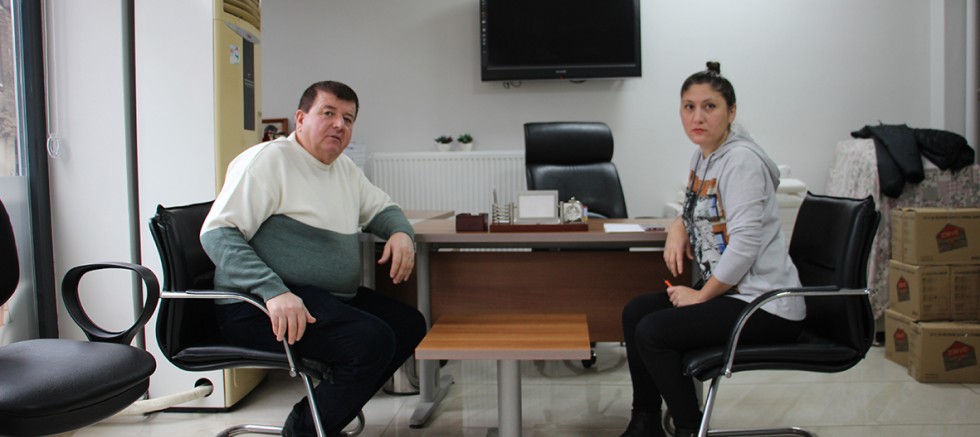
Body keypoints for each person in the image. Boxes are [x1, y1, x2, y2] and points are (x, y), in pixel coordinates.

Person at [200, 80, 426, 437]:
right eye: (329, 113)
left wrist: (400, 232)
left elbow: (383, 208)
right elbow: (216, 233)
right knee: (369, 341)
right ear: (301, 118)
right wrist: (272, 291)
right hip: (258, 304)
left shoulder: (344, 169)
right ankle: (305, 430)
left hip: (320, 297)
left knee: (409, 325)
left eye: (348, 119)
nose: (339, 124)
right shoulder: (269, 160)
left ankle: (325, 415)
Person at [619, 62, 806, 437]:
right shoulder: (704, 156)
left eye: (710, 106)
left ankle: (689, 429)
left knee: (653, 331)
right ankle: (645, 421)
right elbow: (696, 208)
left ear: (731, 112)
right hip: (734, 295)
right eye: (689, 107)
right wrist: (677, 225)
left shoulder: (741, 162)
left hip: (764, 303)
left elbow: (745, 246)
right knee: (636, 312)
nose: (697, 117)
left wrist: (701, 295)